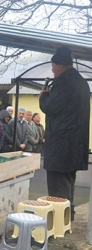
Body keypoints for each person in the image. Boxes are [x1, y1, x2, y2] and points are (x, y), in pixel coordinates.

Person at [40, 46, 90, 221]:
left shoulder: (63, 83)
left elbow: (50, 107)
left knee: (57, 190)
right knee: (68, 184)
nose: (52, 70)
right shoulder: (81, 82)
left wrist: (44, 95)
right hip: (74, 146)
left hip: (61, 147)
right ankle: (68, 218)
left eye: (53, 67)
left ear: (59, 66)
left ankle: (60, 223)